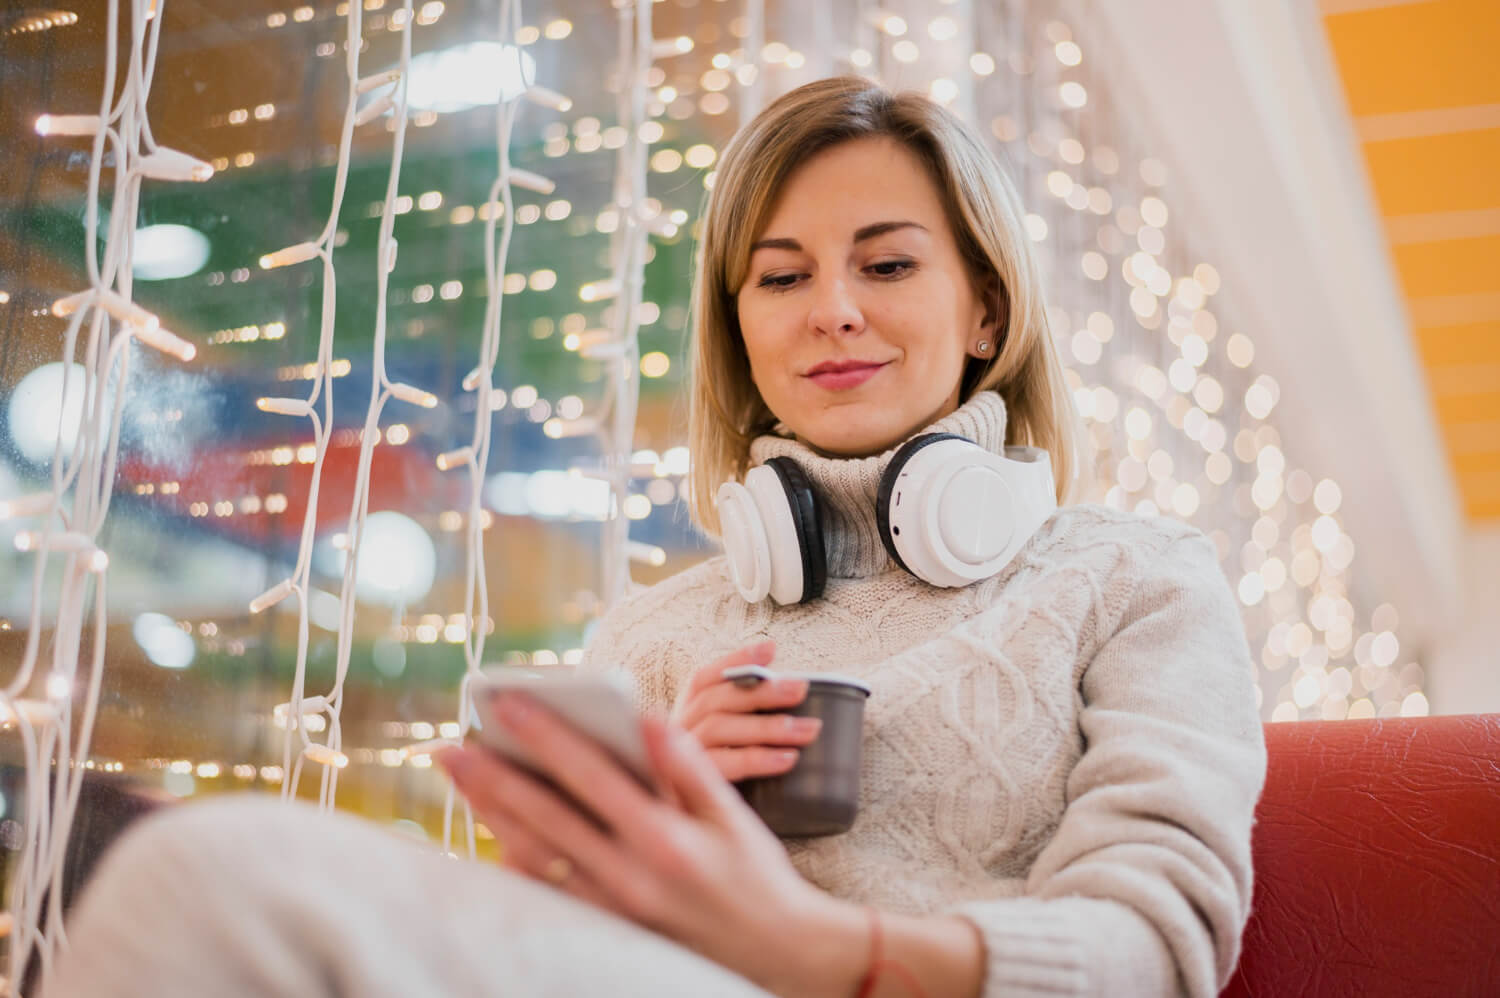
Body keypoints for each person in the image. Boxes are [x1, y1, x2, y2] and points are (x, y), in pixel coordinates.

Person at [46, 76, 1266, 998]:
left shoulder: (1134, 578)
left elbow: (1156, 944)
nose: (833, 308)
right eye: (780, 279)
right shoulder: (651, 632)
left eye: (886, 263)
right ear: (740, 330)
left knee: (190, 870)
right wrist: (641, 821)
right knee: (202, 873)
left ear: (987, 308)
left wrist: (816, 945)